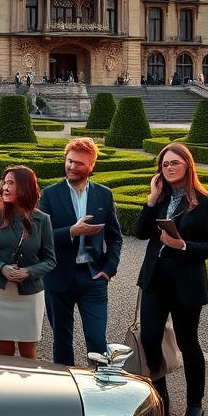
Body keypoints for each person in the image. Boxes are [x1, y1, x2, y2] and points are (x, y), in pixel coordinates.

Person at [134, 142, 208, 416]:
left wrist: (183, 245)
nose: (169, 168)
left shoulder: (204, 201)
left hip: (186, 283)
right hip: (155, 281)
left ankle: (195, 405)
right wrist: (150, 199)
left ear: (187, 166)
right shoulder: (159, 197)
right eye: (165, 164)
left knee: (188, 343)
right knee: (149, 338)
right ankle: (161, 397)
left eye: (174, 163)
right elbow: (139, 233)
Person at [37, 137, 123, 366]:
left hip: (93, 276)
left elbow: (115, 237)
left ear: (91, 166)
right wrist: (72, 232)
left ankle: (97, 392)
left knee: (97, 341)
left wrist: (108, 269)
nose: (72, 167)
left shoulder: (104, 194)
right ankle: (64, 393)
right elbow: (40, 237)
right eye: (70, 161)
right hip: (58, 276)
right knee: (62, 340)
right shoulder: (50, 194)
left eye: (79, 163)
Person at [0, 166, 56, 359]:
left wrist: (28, 272)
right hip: (0, 293)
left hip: (30, 295)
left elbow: (50, 260)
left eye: (11, 183)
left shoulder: (43, 220)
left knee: (28, 352)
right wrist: (1, 268)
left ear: (25, 187)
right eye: (4, 182)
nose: (5, 187)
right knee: (4, 351)